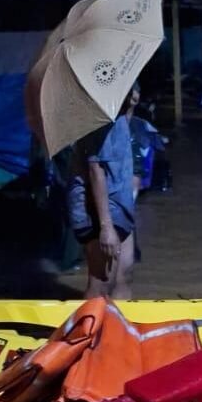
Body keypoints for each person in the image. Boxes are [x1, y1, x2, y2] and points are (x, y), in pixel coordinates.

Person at [67, 85, 138, 299]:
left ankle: (118, 327)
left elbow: (119, 148)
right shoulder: (100, 119)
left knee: (122, 272)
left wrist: (129, 106)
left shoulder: (118, 116)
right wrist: (106, 227)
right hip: (99, 209)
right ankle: (91, 330)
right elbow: (95, 171)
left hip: (116, 203)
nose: (134, 91)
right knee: (101, 282)